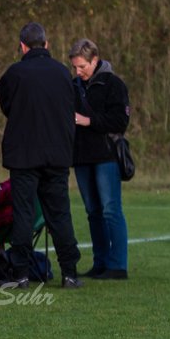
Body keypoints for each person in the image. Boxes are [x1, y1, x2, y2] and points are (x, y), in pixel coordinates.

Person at [0, 22, 82, 289]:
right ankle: (69, 272)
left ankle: (20, 273)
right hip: (57, 155)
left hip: (24, 156)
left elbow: (7, 106)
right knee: (60, 214)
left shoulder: (14, 74)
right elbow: (72, 108)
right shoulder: (63, 74)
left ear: (22, 46)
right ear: (46, 44)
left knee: (23, 214)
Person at [68, 38, 131, 280]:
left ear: (95, 60)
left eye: (82, 66)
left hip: (106, 156)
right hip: (82, 156)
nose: (78, 71)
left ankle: (118, 265)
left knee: (110, 210)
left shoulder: (113, 84)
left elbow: (120, 121)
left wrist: (89, 121)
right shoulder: (74, 85)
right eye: (75, 67)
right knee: (92, 211)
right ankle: (100, 262)